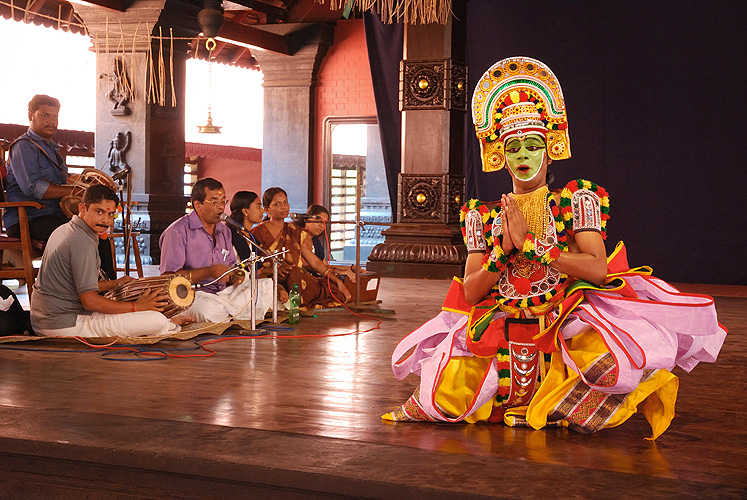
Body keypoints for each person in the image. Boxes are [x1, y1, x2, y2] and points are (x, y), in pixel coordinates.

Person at [382, 57, 726, 438]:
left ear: (551, 148)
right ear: (500, 154)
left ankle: (557, 404)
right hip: (504, 318)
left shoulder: (575, 201)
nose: (524, 156)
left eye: (533, 145)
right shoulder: (484, 216)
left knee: (612, 364)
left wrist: (536, 248)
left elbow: (598, 269)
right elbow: (471, 290)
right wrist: (503, 253)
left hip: (562, 315)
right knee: (445, 395)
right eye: (514, 147)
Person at [30, 185, 184, 338]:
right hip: (64, 325)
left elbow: (75, 285)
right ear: (82, 208)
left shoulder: (64, 229)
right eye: (99, 212)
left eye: (111, 214)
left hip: (45, 320)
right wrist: (136, 306)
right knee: (156, 321)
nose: (106, 220)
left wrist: (116, 283)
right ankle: (168, 324)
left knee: (140, 314)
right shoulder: (82, 241)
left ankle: (165, 322)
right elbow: (90, 302)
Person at [3, 94, 115, 279]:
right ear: (30, 116)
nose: (52, 121)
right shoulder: (23, 147)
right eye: (45, 115)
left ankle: (108, 290)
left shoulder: (52, 148)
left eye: (55, 116)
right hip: (28, 218)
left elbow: (65, 180)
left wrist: (87, 182)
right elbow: (33, 188)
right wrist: (77, 190)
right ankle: (77, 291)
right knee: (77, 234)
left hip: (53, 215)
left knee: (97, 230)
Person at [159, 178, 272, 323]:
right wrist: (208, 272)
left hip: (222, 292)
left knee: (264, 288)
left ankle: (231, 314)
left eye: (223, 201)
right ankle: (231, 314)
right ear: (198, 205)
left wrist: (235, 276)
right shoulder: (178, 231)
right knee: (213, 311)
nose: (220, 207)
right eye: (214, 202)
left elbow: (232, 267)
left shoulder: (224, 231)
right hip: (192, 294)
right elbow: (168, 278)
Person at [251, 187, 351, 308]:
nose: (283, 207)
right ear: (267, 209)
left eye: (285, 202)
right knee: (296, 275)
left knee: (330, 287)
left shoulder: (293, 231)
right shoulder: (258, 232)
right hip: (270, 277)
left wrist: (337, 280)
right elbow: (255, 265)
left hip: (295, 279)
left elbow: (314, 261)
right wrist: (273, 271)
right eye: (277, 204)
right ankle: (283, 292)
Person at [301, 204, 357, 283]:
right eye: (318, 221)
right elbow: (306, 264)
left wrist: (351, 268)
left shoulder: (316, 242)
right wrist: (340, 271)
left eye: (324, 223)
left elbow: (324, 266)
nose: (321, 226)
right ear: (308, 218)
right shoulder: (296, 236)